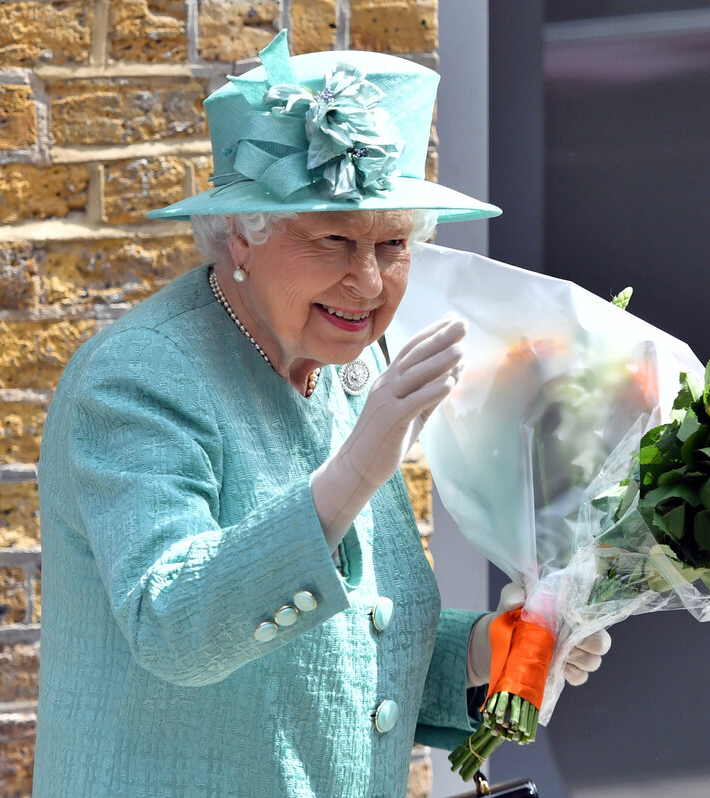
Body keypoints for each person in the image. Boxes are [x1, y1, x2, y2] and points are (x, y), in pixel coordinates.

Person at [32, 31, 610, 797]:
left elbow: (354, 639)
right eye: (334, 239)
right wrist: (353, 473)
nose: (368, 281)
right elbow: (172, 625)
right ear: (242, 231)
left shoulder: (348, 369)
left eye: (394, 243)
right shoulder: (139, 379)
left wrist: (488, 649)